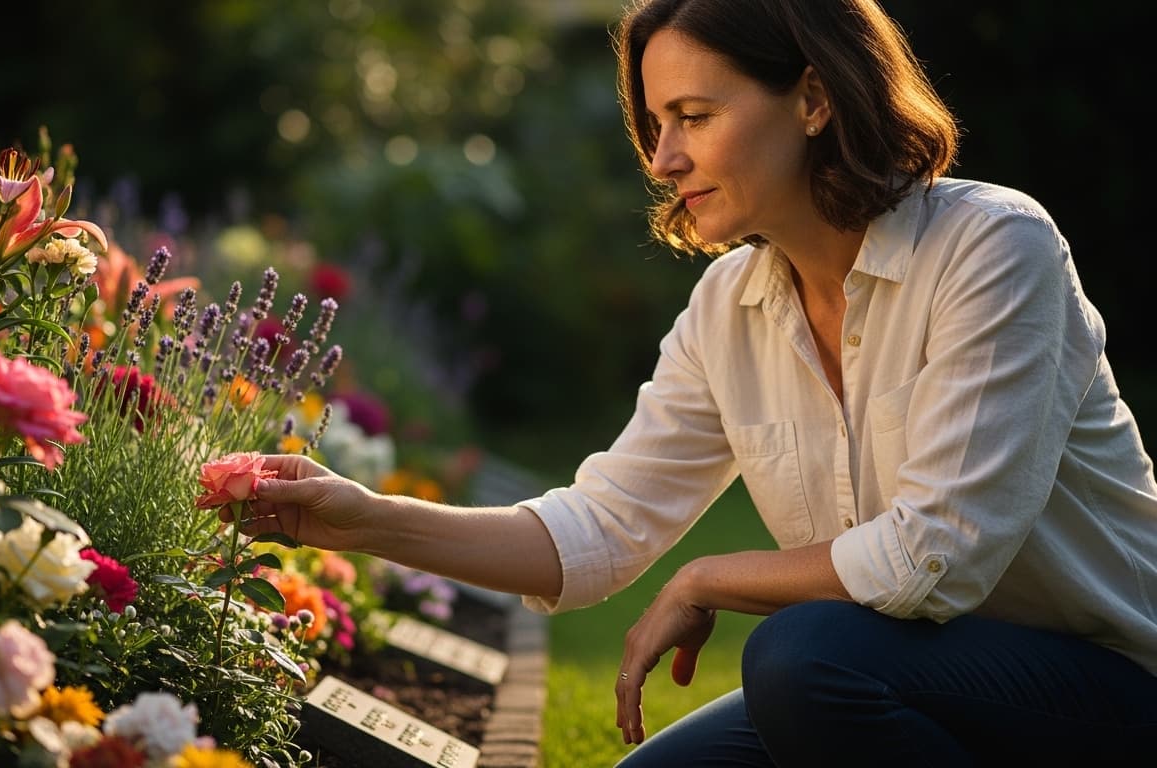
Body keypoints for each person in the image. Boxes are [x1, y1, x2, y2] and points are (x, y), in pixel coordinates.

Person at [235, 0, 1157, 763]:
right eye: (657, 123)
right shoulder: (731, 307)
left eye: (695, 117)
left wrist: (711, 576)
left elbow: (936, 555)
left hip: (1101, 687)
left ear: (812, 99)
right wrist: (365, 519)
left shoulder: (995, 248)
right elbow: (594, 532)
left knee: (801, 656)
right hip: (898, 673)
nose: (663, 159)